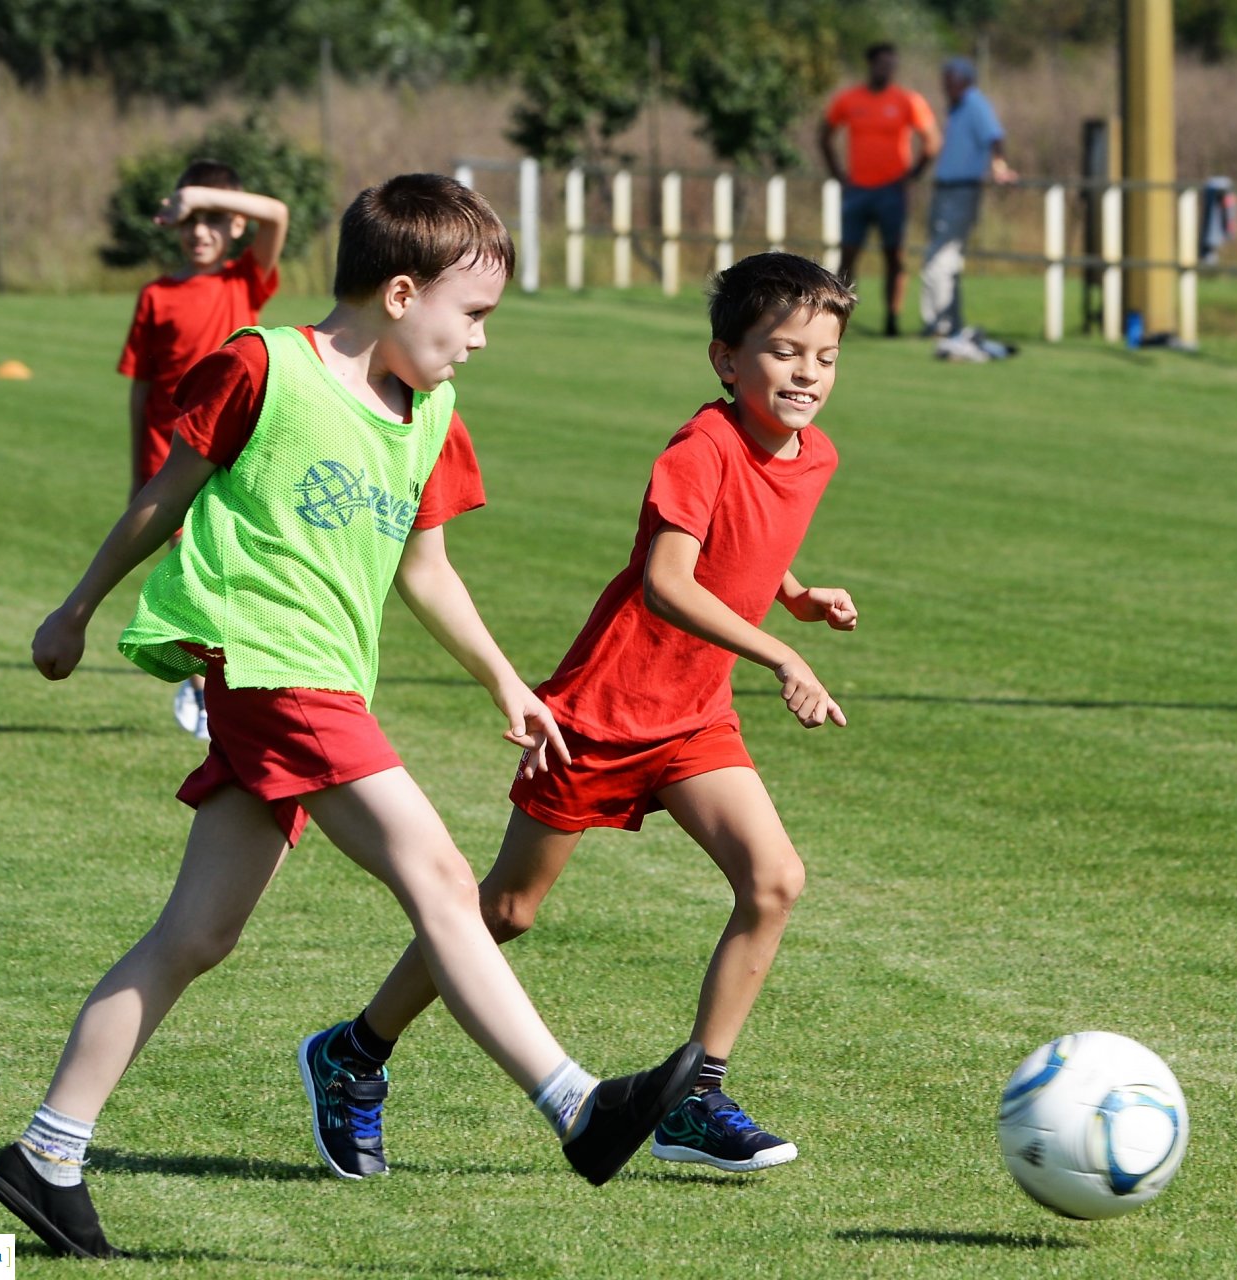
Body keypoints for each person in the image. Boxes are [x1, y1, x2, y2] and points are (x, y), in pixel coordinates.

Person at [0, 173, 702, 1261]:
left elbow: (428, 566)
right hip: (271, 672)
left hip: (320, 680)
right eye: (474, 316)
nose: (481, 342)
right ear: (401, 292)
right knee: (441, 875)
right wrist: (75, 607)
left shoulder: (430, 412)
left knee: (196, 935)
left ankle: (46, 1152)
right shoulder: (264, 365)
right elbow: (163, 496)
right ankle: (576, 1104)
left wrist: (506, 679)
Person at [303, 251, 858, 1178]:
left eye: (825, 357)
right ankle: (355, 1051)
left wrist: (792, 596)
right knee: (507, 911)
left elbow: (746, 546)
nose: (806, 374)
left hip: (692, 718)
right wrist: (782, 653)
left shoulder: (815, 453)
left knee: (773, 881)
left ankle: (695, 1097)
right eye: (783, 352)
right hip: (603, 712)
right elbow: (668, 579)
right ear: (727, 360)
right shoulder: (701, 447)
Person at [118, 160, 290, 744]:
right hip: (173, 458)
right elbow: (142, 391)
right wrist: (139, 472)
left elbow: (279, 215)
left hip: (241, 453)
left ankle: (227, 685)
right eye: (190, 221)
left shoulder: (245, 280)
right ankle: (199, 684)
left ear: (236, 225)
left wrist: (193, 193)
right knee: (194, 575)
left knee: (233, 570)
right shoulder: (156, 296)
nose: (199, 232)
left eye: (214, 220)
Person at [819, 42, 939, 337]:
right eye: (882, 63)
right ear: (870, 64)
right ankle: (836, 317)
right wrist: (838, 173)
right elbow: (824, 134)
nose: (887, 69)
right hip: (857, 190)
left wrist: (914, 173)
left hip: (891, 192)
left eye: (892, 64)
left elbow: (932, 141)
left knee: (894, 256)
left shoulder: (906, 100)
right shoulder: (849, 100)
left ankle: (892, 320)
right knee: (848, 255)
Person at [920, 57, 1017, 339]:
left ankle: (942, 323)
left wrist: (999, 167)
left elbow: (995, 137)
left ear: (963, 80)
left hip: (960, 190)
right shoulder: (959, 107)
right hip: (947, 189)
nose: (945, 86)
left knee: (941, 259)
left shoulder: (974, 103)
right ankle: (945, 320)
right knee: (940, 258)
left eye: (949, 80)